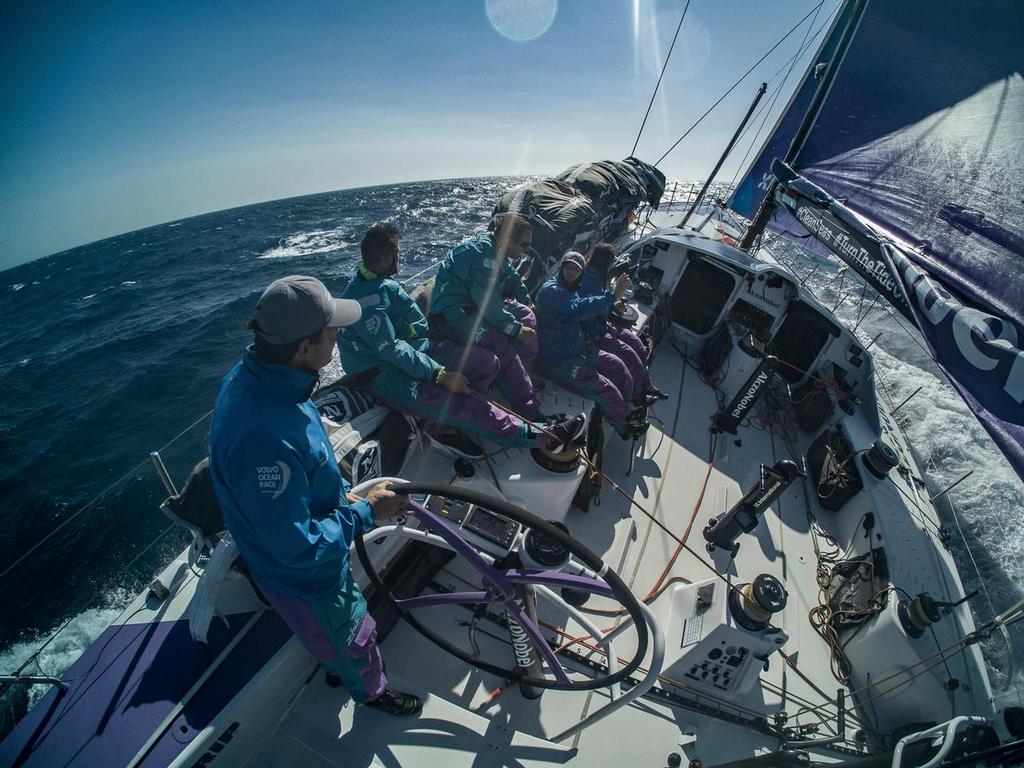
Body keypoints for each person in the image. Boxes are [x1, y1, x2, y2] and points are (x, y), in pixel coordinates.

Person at [209, 274, 421, 716]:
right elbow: (299, 549)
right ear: (304, 347)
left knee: (338, 636)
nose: (339, 336)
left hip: (304, 534)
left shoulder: (263, 375)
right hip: (307, 576)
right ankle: (371, 692)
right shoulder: (263, 439)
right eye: (332, 332)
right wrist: (366, 512)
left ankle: (337, 660)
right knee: (353, 636)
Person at [338, 222, 585, 458]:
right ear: (390, 256)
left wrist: (424, 352)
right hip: (385, 373)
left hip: (417, 352)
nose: (399, 258)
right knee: (461, 405)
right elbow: (391, 350)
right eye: (398, 253)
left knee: (487, 362)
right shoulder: (367, 300)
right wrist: (439, 375)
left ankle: (465, 417)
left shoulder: (381, 284)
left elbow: (414, 328)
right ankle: (544, 437)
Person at [428, 213, 540, 419]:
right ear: (508, 240)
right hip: (452, 318)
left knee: (525, 316)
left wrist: (527, 302)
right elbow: (488, 303)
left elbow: (512, 278)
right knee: (500, 343)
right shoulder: (486, 257)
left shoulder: (494, 249)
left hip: (472, 307)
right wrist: (516, 329)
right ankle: (528, 409)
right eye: (523, 244)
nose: (525, 250)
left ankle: (516, 378)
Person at [535, 252, 658, 438]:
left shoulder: (571, 287)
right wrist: (612, 296)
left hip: (579, 350)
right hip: (559, 362)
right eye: (568, 267)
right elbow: (577, 308)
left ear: (581, 273)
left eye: (576, 270)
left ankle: (626, 409)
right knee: (606, 388)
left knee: (618, 365)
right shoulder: (551, 291)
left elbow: (582, 308)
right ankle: (623, 426)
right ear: (561, 268)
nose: (571, 272)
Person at [581, 243, 666, 402]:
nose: (613, 264)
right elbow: (590, 309)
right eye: (612, 260)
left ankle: (646, 384)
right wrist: (613, 299)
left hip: (603, 326)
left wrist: (613, 305)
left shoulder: (598, 276)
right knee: (628, 354)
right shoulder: (589, 279)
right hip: (593, 332)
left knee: (636, 343)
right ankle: (637, 396)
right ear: (605, 261)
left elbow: (601, 301)